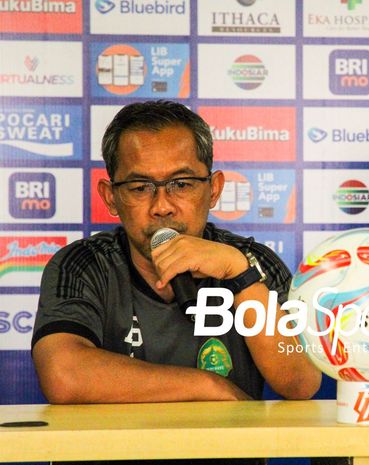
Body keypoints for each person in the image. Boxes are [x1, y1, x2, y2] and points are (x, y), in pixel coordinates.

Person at [31, 100, 321, 463]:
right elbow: (63, 375)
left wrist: (241, 277)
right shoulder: (83, 264)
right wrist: (207, 386)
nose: (163, 205)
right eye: (140, 187)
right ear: (111, 197)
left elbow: (300, 383)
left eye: (181, 184)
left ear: (213, 189)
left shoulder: (253, 263)